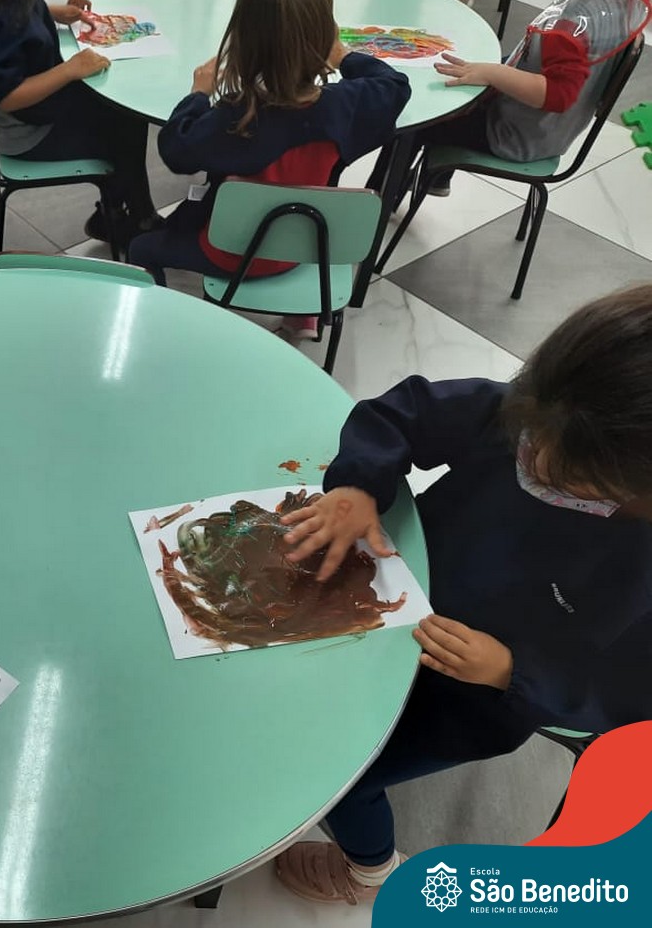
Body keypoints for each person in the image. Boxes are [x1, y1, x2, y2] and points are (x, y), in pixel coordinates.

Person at [272, 283, 652, 905]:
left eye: (568, 474)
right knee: (312, 704)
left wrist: (511, 672)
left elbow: (627, 700)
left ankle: (370, 870)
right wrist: (359, 485)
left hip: (476, 704)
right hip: (400, 610)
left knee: (345, 778)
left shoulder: (637, 564)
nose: (535, 461)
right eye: (532, 436)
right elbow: (406, 412)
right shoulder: (533, 414)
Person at [127, 0, 410, 339]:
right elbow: (395, 86)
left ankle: (159, 330)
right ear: (325, 36)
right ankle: (301, 316)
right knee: (303, 192)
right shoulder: (346, 105)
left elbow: (176, 150)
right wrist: (343, 56)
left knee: (140, 248)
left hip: (230, 254)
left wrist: (198, 94)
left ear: (244, 44)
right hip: (310, 248)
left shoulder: (236, 118)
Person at [373, 0, 649, 200]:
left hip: (513, 133)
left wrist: (493, 73)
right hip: (553, 130)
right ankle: (436, 180)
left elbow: (558, 95)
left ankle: (378, 201)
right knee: (470, 72)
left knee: (418, 117)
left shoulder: (570, 22)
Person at [0, 0, 161, 249]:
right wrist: (69, 70)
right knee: (127, 123)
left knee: (120, 111)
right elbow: (8, 96)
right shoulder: (5, 17)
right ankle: (128, 218)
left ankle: (125, 213)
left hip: (32, 115)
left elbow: (23, 12)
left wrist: (53, 13)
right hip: (29, 134)